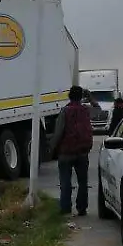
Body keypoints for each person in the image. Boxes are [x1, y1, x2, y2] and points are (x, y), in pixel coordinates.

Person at [51, 86, 95, 216]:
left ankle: (65, 208)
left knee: (65, 181)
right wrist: (91, 97)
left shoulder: (65, 111)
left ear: (69, 96)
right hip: (82, 151)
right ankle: (82, 208)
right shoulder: (86, 110)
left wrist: (52, 148)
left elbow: (59, 132)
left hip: (66, 152)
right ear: (81, 97)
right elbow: (98, 110)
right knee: (83, 182)